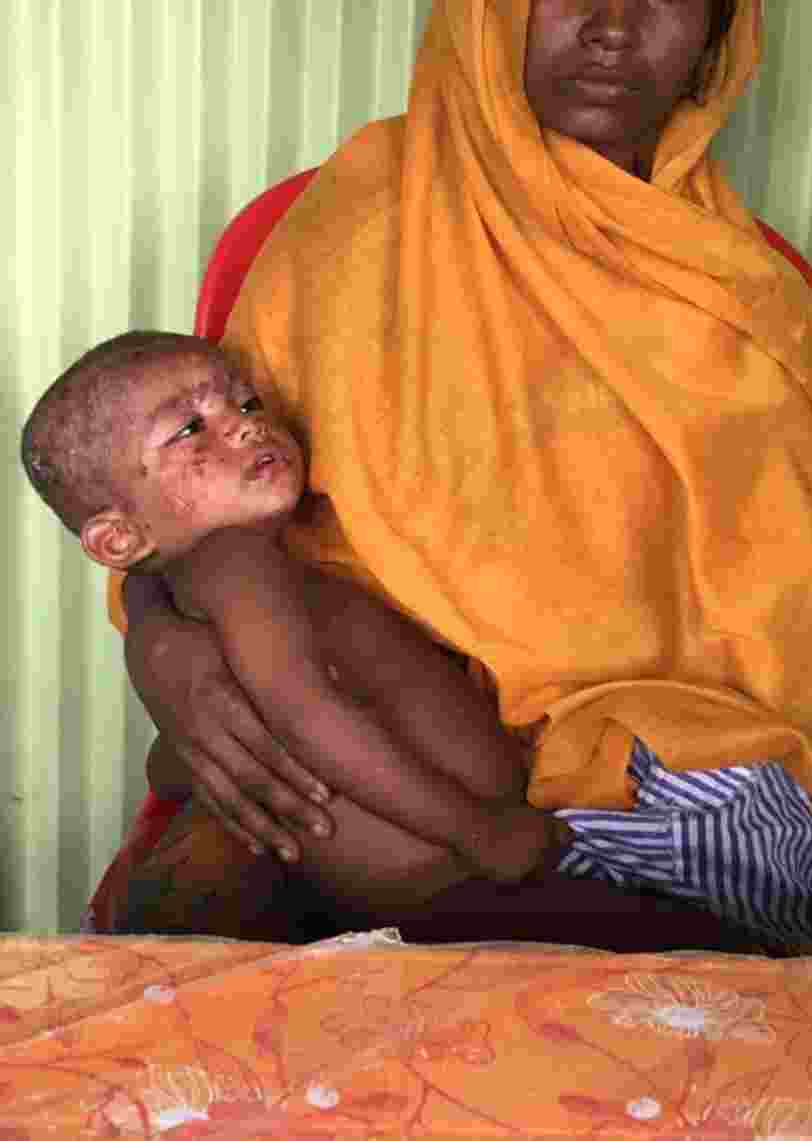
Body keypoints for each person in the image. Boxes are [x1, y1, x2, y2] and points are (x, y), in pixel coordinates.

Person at [103, 0, 812, 959]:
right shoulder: (325, 234)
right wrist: (161, 641)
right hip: (393, 762)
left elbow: (797, 653)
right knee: (187, 913)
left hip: (682, 789)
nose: (612, 22)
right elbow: (191, 510)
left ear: (720, 16)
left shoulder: (753, 297)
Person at [21, 331, 574, 895]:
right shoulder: (234, 563)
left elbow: (172, 768)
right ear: (119, 540)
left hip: (432, 882)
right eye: (190, 429)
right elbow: (305, 708)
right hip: (465, 872)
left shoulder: (218, 595)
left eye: (246, 402)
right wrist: (482, 833)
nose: (244, 424)